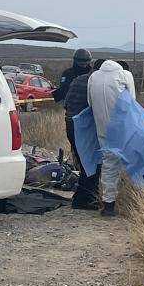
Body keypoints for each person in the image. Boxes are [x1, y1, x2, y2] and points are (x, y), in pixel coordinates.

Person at [87, 59, 136, 216]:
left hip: (102, 127)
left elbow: (90, 103)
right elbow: (132, 102)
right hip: (123, 127)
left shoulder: (93, 77)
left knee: (109, 165)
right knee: (134, 162)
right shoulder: (125, 75)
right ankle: (137, 201)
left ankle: (108, 205)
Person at [63, 59, 105, 210]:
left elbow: (66, 103)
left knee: (85, 162)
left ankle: (85, 196)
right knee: (92, 163)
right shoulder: (95, 83)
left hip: (70, 124)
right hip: (83, 127)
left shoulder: (78, 79)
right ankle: (84, 199)